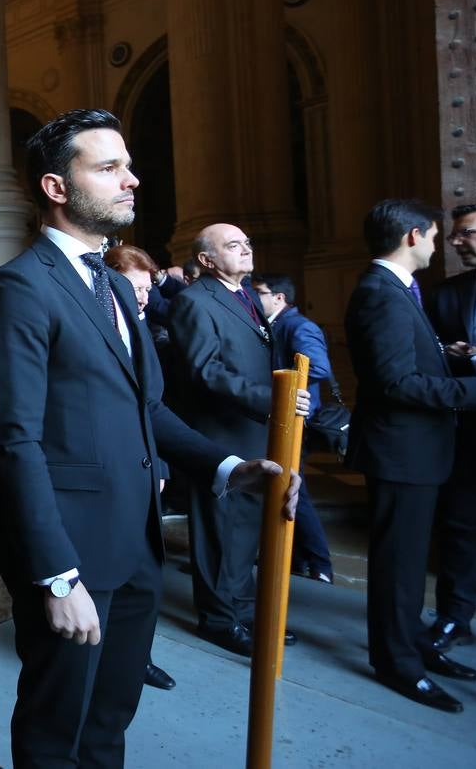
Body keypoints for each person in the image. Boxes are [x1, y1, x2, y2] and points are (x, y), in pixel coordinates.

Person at [0, 109, 300, 767]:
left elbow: (147, 407)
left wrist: (230, 466)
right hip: (70, 553)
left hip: (135, 542)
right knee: (55, 728)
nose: (132, 180)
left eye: (127, 165)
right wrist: (56, 577)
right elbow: (14, 444)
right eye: (109, 167)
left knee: (109, 721)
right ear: (56, 188)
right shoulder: (19, 289)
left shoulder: (116, 285)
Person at [346, 199, 476, 713]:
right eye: (431, 235)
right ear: (410, 236)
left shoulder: (397, 289)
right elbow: (396, 383)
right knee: (398, 565)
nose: (437, 244)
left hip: (418, 451)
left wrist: (449, 359)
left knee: (408, 564)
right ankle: (397, 663)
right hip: (400, 452)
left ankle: (415, 645)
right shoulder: (380, 292)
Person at [166, 223, 308, 656]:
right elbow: (206, 370)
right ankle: (218, 620)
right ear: (207, 261)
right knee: (221, 532)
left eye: (247, 242)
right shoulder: (193, 301)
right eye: (233, 245)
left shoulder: (244, 295)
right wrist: (274, 400)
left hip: (252, 430)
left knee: (245, 533)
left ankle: (245, 614)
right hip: (221, 433)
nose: (246, 249)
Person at [104, 244, 177, 694]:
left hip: (146, 468)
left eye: (149, 288)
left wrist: (163, 459)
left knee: (142, 575)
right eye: (136, 288)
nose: (145, 298)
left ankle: (138, 656)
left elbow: (152, 406)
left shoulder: (143, 325)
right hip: (107, 472)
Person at [424, 202, 476, 653]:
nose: (455, 242)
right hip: (466, 431)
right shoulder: (446, 293)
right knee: (460, 526)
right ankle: (454, 617)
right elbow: (428, 350)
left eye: (466, 233)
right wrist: (453, 352)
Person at [251, 272, 335, 584]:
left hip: (299, 419)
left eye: (259, 291)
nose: (253, 297)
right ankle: (299, 559)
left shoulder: (297, 325)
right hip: (284, 418)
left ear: (279, 298)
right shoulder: (275, 323)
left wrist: (282, 385)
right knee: (286, 486)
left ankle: (320, 563)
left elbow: (319, 366)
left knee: (293, 489)